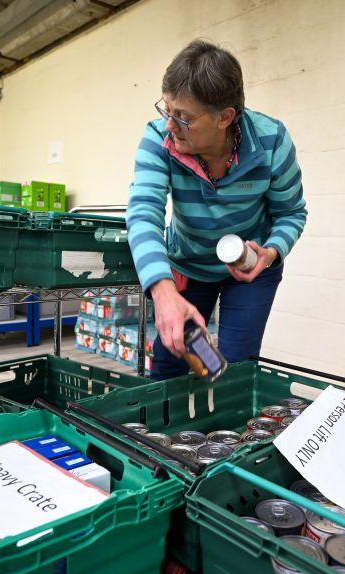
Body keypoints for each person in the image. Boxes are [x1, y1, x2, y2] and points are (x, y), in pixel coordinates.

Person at [127, 39, 307, 380]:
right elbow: (143, 213)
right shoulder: (159, 140)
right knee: (170, 364)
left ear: (225, 117)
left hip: (251, 269)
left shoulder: (272, 142)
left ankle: (227, 431)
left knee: (236, 371)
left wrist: (268, 254)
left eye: (183, 117)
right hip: (188, 263)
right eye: (166, 109)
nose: (169, 125)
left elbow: (291, 213)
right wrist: (163, 293)